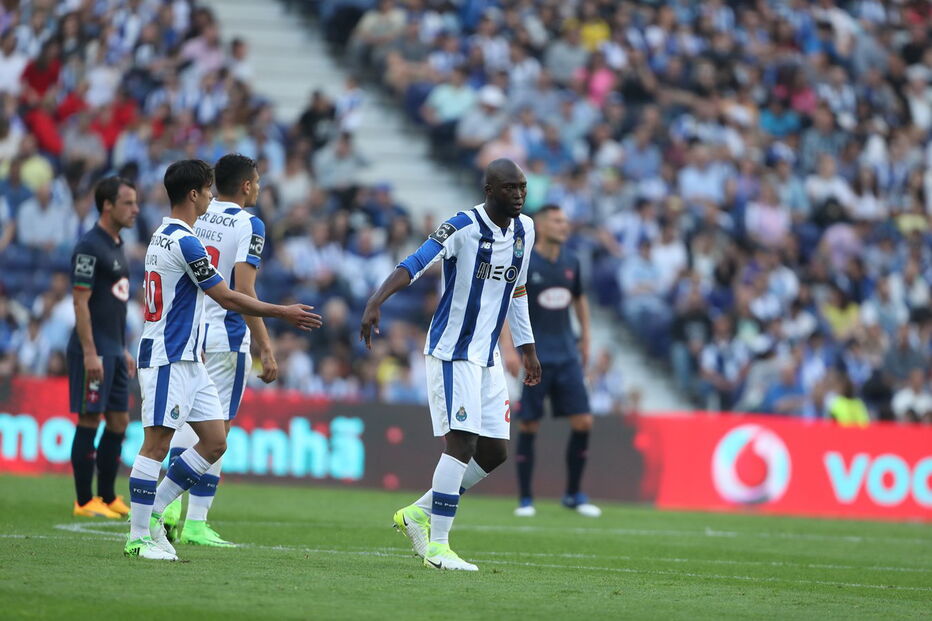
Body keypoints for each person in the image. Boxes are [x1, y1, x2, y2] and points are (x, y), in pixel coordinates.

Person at [125, 160, 321, 561]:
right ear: (193, 194)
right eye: (208, 191)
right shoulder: (184, 241)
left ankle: (159, 510)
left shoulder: (167, 233)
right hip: (168, 356)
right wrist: (284, 313)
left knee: (215, 441)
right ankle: (138, 536)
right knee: (155, 445)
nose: (212, 197)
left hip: (192, 357)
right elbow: (228, 296)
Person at [360, 159, 541, 571]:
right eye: (510, 188)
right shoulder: (461, 227)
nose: (518, 195)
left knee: (493, 452)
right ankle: (438, 547)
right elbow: (415, 261)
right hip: (452, 351)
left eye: (523, 188)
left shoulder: (525, 231)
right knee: (461, 444)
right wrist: (376, 301)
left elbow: (520, 289)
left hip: (489, 357)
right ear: (489, 189)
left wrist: (527, 348)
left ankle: (418, 513)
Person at [161, 154, 276, 547]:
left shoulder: (199, 215)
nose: (259, 189)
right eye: (257, 182)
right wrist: (265, 344)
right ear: (246, 185)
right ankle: (191, 518)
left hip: (190, 332)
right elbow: (243, 291)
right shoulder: (250, 223)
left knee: (185, 422)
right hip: (227, 336)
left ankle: (173, 509)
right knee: (217, 429)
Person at [500, 205, 600, 518]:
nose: (564, 226)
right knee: (529, 424)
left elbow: (579, 298)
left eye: (566, 221)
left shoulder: (572, 262)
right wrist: (508, 347)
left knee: (584, 421)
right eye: (557, 221)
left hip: (567, 353)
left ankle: (573, 494)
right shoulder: (525, 261)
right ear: (541, 226)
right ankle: (526, 499)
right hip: (535, 355)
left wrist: (586, 337)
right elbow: (504, 300)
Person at [67, 176, 139, 519]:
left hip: (113, 349)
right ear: (107, 205)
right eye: (128, 203)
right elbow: (81, 304)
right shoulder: (89, 246)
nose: (135, 209)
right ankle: (84, 501)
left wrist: (120, 348)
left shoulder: (116, 244)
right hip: (92, 350)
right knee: (90, 418)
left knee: (119, 421)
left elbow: (114, 305)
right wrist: (90, 351)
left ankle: (108, 496)